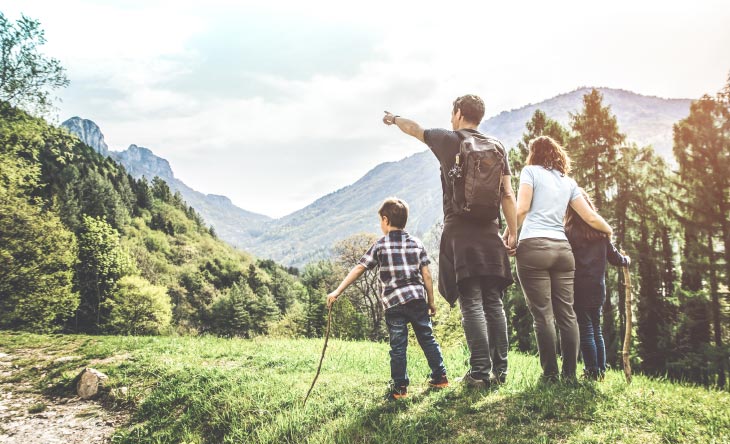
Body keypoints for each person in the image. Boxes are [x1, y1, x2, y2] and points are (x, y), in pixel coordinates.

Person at [382, 94, 517, 388]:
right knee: (493, 302)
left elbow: (415, 129)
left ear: (458, 113)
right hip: (491, 232)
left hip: (460, 232)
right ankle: (500, 373)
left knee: (471, 301)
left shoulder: (448, 139)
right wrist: (513, 231)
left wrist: (394, 119)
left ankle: (479, 373)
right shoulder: (497, 147)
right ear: (479, 116)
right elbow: (507, 194)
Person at [505, 135, 613, 382]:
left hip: (533, 247)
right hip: (563, 252)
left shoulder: (529, 172)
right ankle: (570, 375)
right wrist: (609, 230)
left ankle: (550, 374)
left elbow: (520, 209)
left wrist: (510, 234)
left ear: (533, 154)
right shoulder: (569, 182)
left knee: (543, 315)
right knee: (567, 315)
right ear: (557, 155)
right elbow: (591, 218)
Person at [327, 197, 448, 401]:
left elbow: (360, 268)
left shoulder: (380, 245)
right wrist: (431, 301)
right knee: (427, 338)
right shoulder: (416, 243)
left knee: (398, 346)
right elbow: (427, 275)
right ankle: (440, 378)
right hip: (418, 299)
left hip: (394, 303)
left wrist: (337, 291)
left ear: (385, 219)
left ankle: (400, 389)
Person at [565, 189, 630, 381]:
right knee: (596, 328)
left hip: (579, 287)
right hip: (598, 287)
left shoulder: (568, 233)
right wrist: (626, 260)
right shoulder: (601, 233)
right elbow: (615, 258)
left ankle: (592, 371)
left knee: (585, 329)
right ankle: (600, 370)